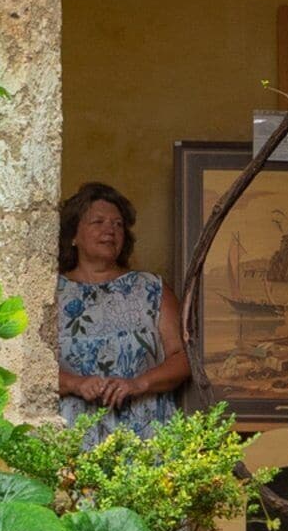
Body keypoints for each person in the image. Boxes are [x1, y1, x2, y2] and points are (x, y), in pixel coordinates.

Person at [55, 182, 190, 443]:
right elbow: (28, 369)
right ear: (73, 235)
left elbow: (183, 358)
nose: (110, 230)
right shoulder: (50, 295)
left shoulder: (151, 288)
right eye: (98, 222)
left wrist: (139, 383)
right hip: (73, 435)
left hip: (145, 434)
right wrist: (76, 384)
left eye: (118, 224)